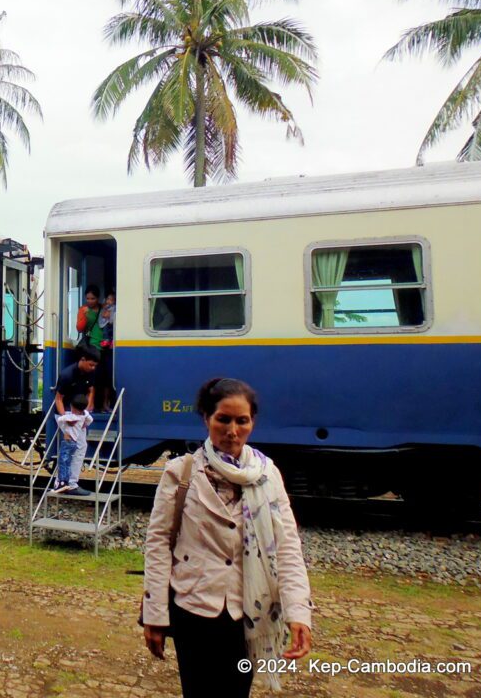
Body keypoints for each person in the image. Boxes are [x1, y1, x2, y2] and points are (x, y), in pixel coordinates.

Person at [142, 378, 313, 697]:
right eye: (223, 419)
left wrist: (298, 611)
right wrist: (154, 615)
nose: (232, 430)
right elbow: (158, 545)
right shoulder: (181, 473)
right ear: (206, 418)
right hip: (194, 609)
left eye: (242, 420)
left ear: (252, 422)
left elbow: (287, 547)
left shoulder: (267, 475)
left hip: (249, 611)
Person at [53, 394, 93, 496]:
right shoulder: (84, 415)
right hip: (74, 442)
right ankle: (67, 482)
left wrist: (66, 420)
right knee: (70, 459)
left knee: (63, 461)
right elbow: (90, 419)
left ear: (71, 406)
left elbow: (59, 420)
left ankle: (61, 483)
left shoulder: (71, 416)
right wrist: (85, 423)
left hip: (67, 442)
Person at [54, 345, 99, 415]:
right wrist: (65, 417)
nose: (93, 368)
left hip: (82, 411)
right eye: (91, 365)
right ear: (83, 359)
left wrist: (86, 410)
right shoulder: (67, 375)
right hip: (66, 411)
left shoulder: (91, 372)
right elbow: (58, 399)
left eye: (95, 366)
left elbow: (91, 390)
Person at [97, 290, 116, 412]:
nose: (109, 302)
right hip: (104, 347)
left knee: (110, 376)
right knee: (104, 377)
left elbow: (113, 322)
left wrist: (110, 317)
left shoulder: (115, 311)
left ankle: (109, 403)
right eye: (107, 299)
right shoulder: (103, 311)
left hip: (113, 347)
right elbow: (101, 323)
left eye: (111, 299)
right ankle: (104, 403)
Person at [75, 284, 103, 351]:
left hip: (104, 344)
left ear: (98, 298)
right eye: (87, 298)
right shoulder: (83, 310)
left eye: (93, 298)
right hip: (91, 345)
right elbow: (79, 329)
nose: (90, 301)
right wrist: (84, 316)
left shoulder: (103, 308)